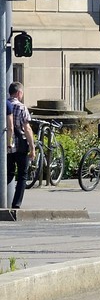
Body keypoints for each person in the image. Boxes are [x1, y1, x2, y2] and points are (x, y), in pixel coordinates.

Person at [6, 83, 35, 212]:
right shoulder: (21, 107)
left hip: (7, 146)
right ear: (19, 93)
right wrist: (32, 147)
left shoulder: (4, 105)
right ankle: (16, 203)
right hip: (20, 146)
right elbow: (27, 128)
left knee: (8, 173)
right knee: (22, 175)